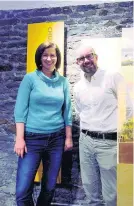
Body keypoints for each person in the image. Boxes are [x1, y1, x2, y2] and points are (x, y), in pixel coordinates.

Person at [14, 41, 73, 206]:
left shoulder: (63, 82)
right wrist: (20, 138)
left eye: (52, 55)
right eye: (45, 55)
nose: (49, 58)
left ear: (57, 58)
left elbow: (67, 110)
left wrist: (68, 137)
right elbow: (20, 110)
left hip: (56, 139)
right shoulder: (30, 79)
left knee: (49, 187)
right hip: (32, 139)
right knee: (22, 190)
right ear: (39, 58)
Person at [73, 44, 133, 206]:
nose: (86, 61)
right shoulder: (77, 87)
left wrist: (115, 132)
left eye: (89, 56)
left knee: (110, 194)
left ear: (96, 57)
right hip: (85, 142)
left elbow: (128, 108)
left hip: (108, 143)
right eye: (81, 58)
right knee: (90, 189)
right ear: (77, 62)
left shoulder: (113, 77)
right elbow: (80, 112)